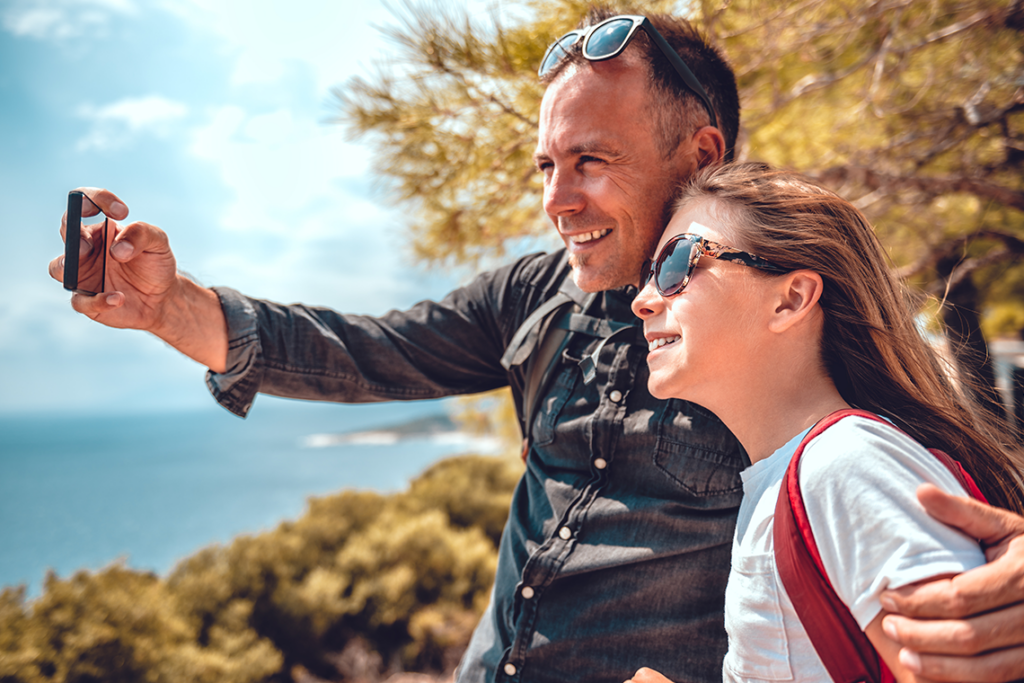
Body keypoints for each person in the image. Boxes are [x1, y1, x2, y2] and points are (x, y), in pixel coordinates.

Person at [48, 7, 1024, 683]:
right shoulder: (535, 293)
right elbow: (365, 348)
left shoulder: (776, 329)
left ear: (700, 156)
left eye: (590, 162)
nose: (556, 201)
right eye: (547, 164)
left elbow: (920, 469)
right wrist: (170, 308)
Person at [629, 162, 1024, 682]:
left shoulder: (845, 463)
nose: (643, 299)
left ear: (790, 299)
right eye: (649, 274)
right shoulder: (793, 478)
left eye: (677, 263)